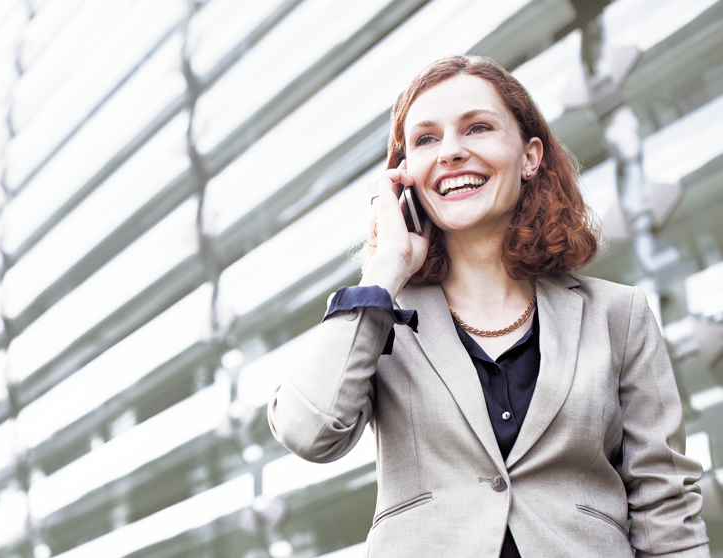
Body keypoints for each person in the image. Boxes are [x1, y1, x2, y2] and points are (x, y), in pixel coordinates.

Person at [267, 55, 710, 557]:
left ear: (530, 156)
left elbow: (665, 510)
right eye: (426, 139)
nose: (452, 152)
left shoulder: (618, 315)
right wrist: (387, 267)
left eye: (477, 128)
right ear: (405, 175)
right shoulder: (377, 315)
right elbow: (308, 434)